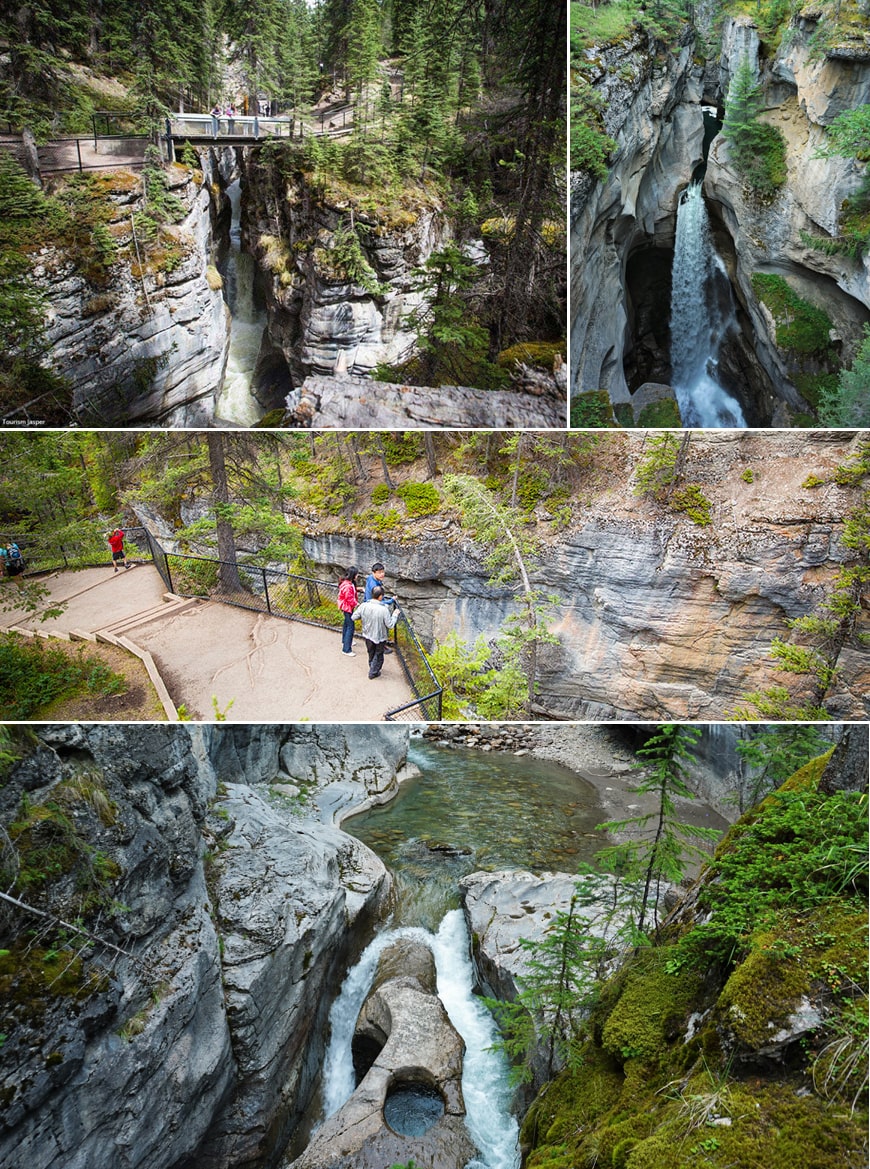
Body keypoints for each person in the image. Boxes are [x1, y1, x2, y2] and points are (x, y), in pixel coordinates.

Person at [351, 585, 400, 679]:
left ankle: (372, 666)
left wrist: (363, 615)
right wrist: (394, 615)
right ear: (381, 596)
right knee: (379, 654)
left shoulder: (364, 605)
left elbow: (354, 617)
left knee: (371, 652)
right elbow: (390, 625)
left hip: (367, 633)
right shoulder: (383, 609)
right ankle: (373, 672)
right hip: (380, 636)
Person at [364, 562, 397, 651]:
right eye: (379, 572)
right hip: (374, 607)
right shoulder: (374, 585)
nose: (382, 574)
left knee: (372, 627)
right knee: (380, 627)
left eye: (382, 572)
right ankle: (381, 647)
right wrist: (391, 600)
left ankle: (374, 645)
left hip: (369, 605)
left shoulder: (371, 578)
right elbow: (380, 601)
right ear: (373, 573)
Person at [337, 566, 360, 657]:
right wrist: (356, 604)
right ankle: (346, 649)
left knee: (346, 624)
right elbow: (349, 598)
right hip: (347, 607)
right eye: (356, 574)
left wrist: (359, 589)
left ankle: (345, 640)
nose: (357, 576)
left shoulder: (347, 583)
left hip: (346, 607)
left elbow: (351, 592)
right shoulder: (348, 585)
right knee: (351, 626)